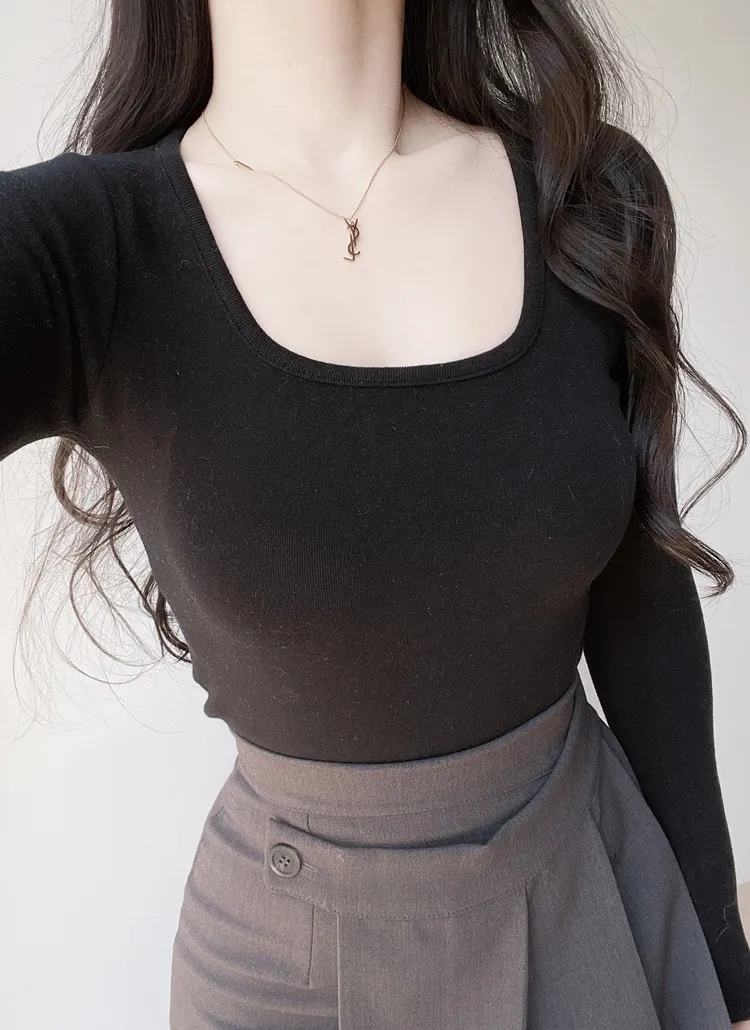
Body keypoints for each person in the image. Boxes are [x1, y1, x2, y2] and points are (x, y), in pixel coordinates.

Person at [2, 1, 749, 1027]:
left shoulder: (588, 190)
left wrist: (725, 970)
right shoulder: (78, 248)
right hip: (284, 979)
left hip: (598, 912)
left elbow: (641, 608)